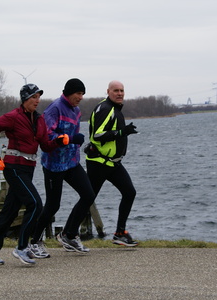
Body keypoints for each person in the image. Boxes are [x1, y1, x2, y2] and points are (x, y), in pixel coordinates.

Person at [0, 83, 68, 265]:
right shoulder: (12, 117)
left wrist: (59, 141)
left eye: (38, 97)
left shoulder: (39, 120)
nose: (37, 100)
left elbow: (45, 146)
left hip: (28, 169)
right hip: (13, 167)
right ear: (25, 99)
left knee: (9, 212)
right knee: (35, 204)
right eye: (34, 97)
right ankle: (21, 248)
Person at [28, 78, 95, 257]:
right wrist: (71, 139)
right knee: (52, 205)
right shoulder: (55, 108)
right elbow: (47, 135)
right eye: (78, 93)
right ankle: (33, 242)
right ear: (68, 92)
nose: (80, 97)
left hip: (71, 162)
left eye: (82, 94)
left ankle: (69, 235)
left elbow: (74, 134)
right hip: (54, 164)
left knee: (88, 195)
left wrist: (78, 142)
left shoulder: (76, 111)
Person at [85, 80, 139, 246]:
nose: (120, 93)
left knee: (129, 192)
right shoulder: (106, 109)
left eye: (122, 90)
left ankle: (120, 233)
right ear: (108, 91)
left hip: (113, 163)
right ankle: (68, 233)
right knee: (88, 197)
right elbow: (98, 135)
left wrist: (123, 133)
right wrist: (122, 132)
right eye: (116, 90)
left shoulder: (115, 109)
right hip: (99, 162)